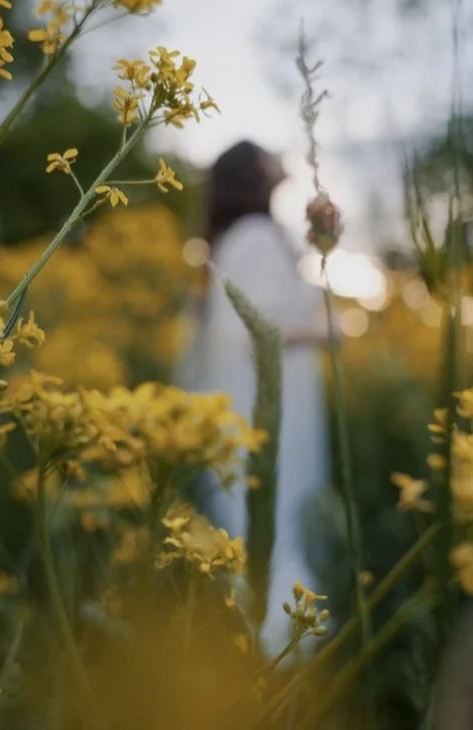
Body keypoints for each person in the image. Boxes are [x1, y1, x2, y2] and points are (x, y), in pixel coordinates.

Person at [176, 140, 330, 656]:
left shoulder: (241, 237)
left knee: (257, 530)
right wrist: (330, 329)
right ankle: (284, 664)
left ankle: (258, 662)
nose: (279, 154)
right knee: (277, 524)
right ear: (254, 174)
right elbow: (259, 329)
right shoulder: (258, 236)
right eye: (267, 152)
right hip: (269, 406)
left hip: (254, 402)